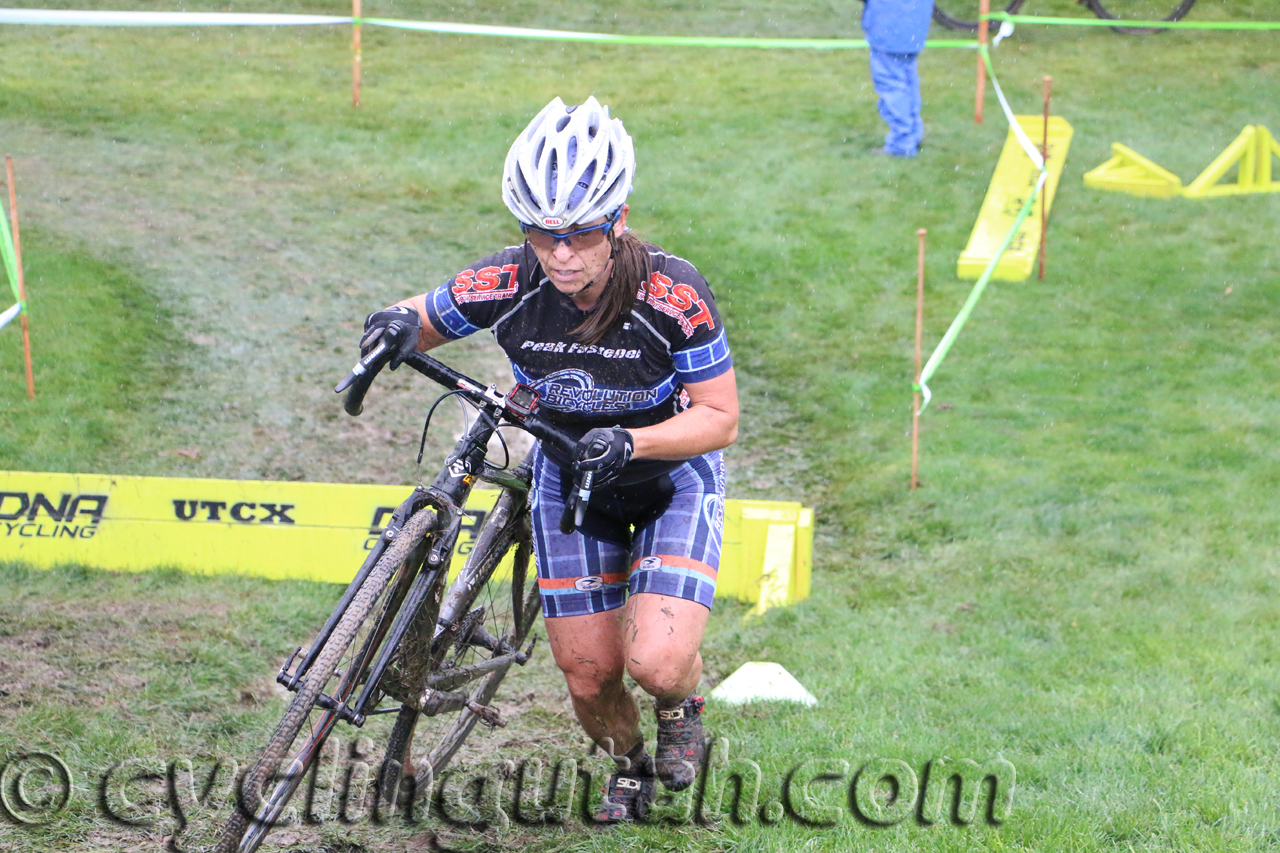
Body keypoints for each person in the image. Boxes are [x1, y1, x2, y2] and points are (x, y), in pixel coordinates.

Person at [359, 96, 738, 821]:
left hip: (668, 476)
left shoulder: (674, 290)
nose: (561, 254)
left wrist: (633, 440)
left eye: (582, 234)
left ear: (617, 220)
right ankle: (630, 765)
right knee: (590, 677)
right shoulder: (514, 279)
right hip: (571, 477)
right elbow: (430, 314)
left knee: (654, 660)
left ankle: (680, 697)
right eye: (541, 233)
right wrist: (395, 323)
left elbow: (720, 419)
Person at [860, 0, 934, 157]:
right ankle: (912, 134)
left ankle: (902, 142)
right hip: (914, 26)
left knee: (892, 85)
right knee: (908, 80)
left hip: (889, 26)